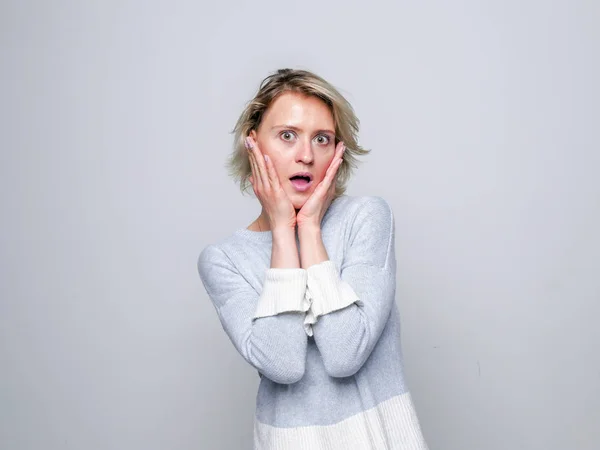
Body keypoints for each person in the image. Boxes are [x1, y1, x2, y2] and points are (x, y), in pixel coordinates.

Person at [197, 68, 428, 449]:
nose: (306, 155)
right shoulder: (224, 259)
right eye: (287, 136)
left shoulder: (366, 218)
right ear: (252, 144)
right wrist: (283, 234)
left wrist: (310, 231)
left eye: (322, 139)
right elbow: (284, 364)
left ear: (338, 151)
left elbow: (345, 354)